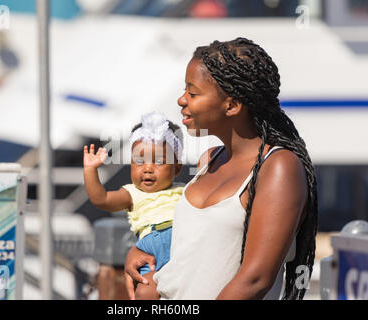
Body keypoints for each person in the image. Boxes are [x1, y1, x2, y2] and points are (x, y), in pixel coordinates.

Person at [124, 38, 318, 300]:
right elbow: (198, 248)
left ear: (232, 105)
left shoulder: (279, 168)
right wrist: (142, 250)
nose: (181, 100)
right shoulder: (208, 160)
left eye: (193, 93)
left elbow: (255, 280)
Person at [83, 111, 184, 299]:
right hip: (150, 258)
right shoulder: (131, 194)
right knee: (146, 291)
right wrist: (90, 170)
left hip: (182, 253)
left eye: (160, 161)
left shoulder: (185, 191)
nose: (147, 168)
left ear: (177, 167)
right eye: (139, 160)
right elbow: (101, 199)